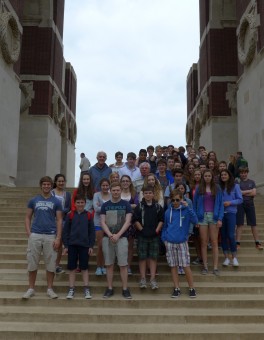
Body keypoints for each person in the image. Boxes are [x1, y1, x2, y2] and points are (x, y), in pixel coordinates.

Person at [23, 176, 62, 299]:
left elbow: (60, 220)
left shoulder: (56, 201)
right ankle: (31, 288)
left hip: (50, 235)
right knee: (32, 262)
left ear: (51, 186)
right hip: (36, 234)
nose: (46, 186)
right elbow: (27, 217)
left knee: (50, 264)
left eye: (48, 184)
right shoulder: (33, 200)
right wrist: (29, 233)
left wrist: (58, 238)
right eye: (44, 184)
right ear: (41, 185)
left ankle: (50, 288)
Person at [161, 189, 198, 298]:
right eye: (173, 200)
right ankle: (176, 288)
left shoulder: (186, 210)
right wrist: (164, 239)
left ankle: (192, 288)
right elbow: (165, 227)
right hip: (170, 242)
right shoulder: (168, 212)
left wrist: (188, 207)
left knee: (186, 266)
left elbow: (195, 221)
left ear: (182, 199)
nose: (175, 202)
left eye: (178, 199)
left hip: (182, 242)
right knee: (173, 266)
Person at [100, 182, 132, 299]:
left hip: (122, 238)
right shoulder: (105, 205)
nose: (116, 192)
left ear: (120, 191)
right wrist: (110, 235)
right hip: (107, 238)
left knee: (123, 265)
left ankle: (125, 289)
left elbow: (128, 222)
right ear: (110, 191)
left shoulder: (126, 204)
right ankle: (109, 288)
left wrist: (118, 235)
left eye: (118, 190)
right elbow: (102, 222)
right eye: (114, 190)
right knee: (109, 264)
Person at [62, 194, 95, 299]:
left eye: (82, 202)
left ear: (85, 203)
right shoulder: (70, 215)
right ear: (74, 203)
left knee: (84, 268)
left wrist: (91, 245)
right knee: (72, 268)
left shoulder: (89, 215)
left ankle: (86, 288)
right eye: (78, 202)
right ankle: (71, 288)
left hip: (84, 245)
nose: (80, 204)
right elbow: (65, 231)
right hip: (72, 245)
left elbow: (92, 232)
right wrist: (66, 245)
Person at [193, 170, 224, 275]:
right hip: (202, 217)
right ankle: (205, 267)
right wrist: (195, 219)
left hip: (214, 217)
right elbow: (194, 205)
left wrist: (220, 218)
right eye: (205, 176)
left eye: (209, 176)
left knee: (214, 242)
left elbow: (221, 204)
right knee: (204, 242)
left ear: (212, 177)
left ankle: (215, 267)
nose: (207, 177)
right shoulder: (199, 188)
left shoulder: (217, 188)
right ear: (203, 177)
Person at [134, 186, 164, 289]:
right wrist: (141, 230)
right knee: (142, 258)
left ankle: (152, 279)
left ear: (153, 194)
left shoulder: (158, 207)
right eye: (146, 193)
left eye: (150, 193)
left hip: (154, 235)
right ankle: (143, 279)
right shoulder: (139, 206)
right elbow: (135, 220)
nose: (148, 195)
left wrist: (157, 230)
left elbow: (161, 220)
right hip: (142, 235)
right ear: (143, 194)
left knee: (153, 257)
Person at [219, 169, 243, 267]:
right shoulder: (218, 187)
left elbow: (240, 199)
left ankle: (234, 258)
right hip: (221, 214)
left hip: (231, 213)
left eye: (225, 174)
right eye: (222, 175)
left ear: (229, 175)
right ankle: (226, 258)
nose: (223, 176)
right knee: (223, 236)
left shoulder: (235, 186)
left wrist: (230, 203)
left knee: (231, 235)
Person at [236, 167, 263, 250]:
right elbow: (238, 193)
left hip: (250, 204)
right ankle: (237, 243)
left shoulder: (252, 182)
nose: (243, 174)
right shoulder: (237, 182)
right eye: (241, 173)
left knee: (253, 224)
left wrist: (243, 193)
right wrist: (249, 191)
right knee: (239, 224)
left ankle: (257, 242)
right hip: (240, 204)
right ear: (239, 173)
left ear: (247, 173)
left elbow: (254, 193)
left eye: (245, 173)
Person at [51, 174, 71, 274]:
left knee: (59, 244)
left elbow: (69, 207)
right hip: (51, 220)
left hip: (62, 220)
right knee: (51, 243)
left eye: (63, 181)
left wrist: (62, 211)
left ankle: (57, 265)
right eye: (59, 181)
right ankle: (50, 264)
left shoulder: (67, 194)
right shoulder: (51, 193)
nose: (61, 183)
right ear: (55, 182)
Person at [120, 175, 139, 275]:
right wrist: (128, 206)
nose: (125, 183)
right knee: (120, 245)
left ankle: (128, 266)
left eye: (127, 181)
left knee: (130, 246)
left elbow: (136, 206)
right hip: (118, 222)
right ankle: (122, 265)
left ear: (130, 182)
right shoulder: (117, 192)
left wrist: (123, 206)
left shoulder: (134, 194)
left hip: (130, 222)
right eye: (123, 181)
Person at [93, 178, 111, 276]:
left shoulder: (112, 194)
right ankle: (99, 267)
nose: (105, 187)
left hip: (110, 224)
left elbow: (114, 206)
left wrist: (102, 206)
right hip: (98, 223)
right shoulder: (96, 195)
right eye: (103, 185)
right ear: (100, 186)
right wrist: (108, 206)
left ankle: (105, 266)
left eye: (106, 185)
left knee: (107, 246)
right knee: (100, 246)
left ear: (109, 186)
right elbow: (96, 209)